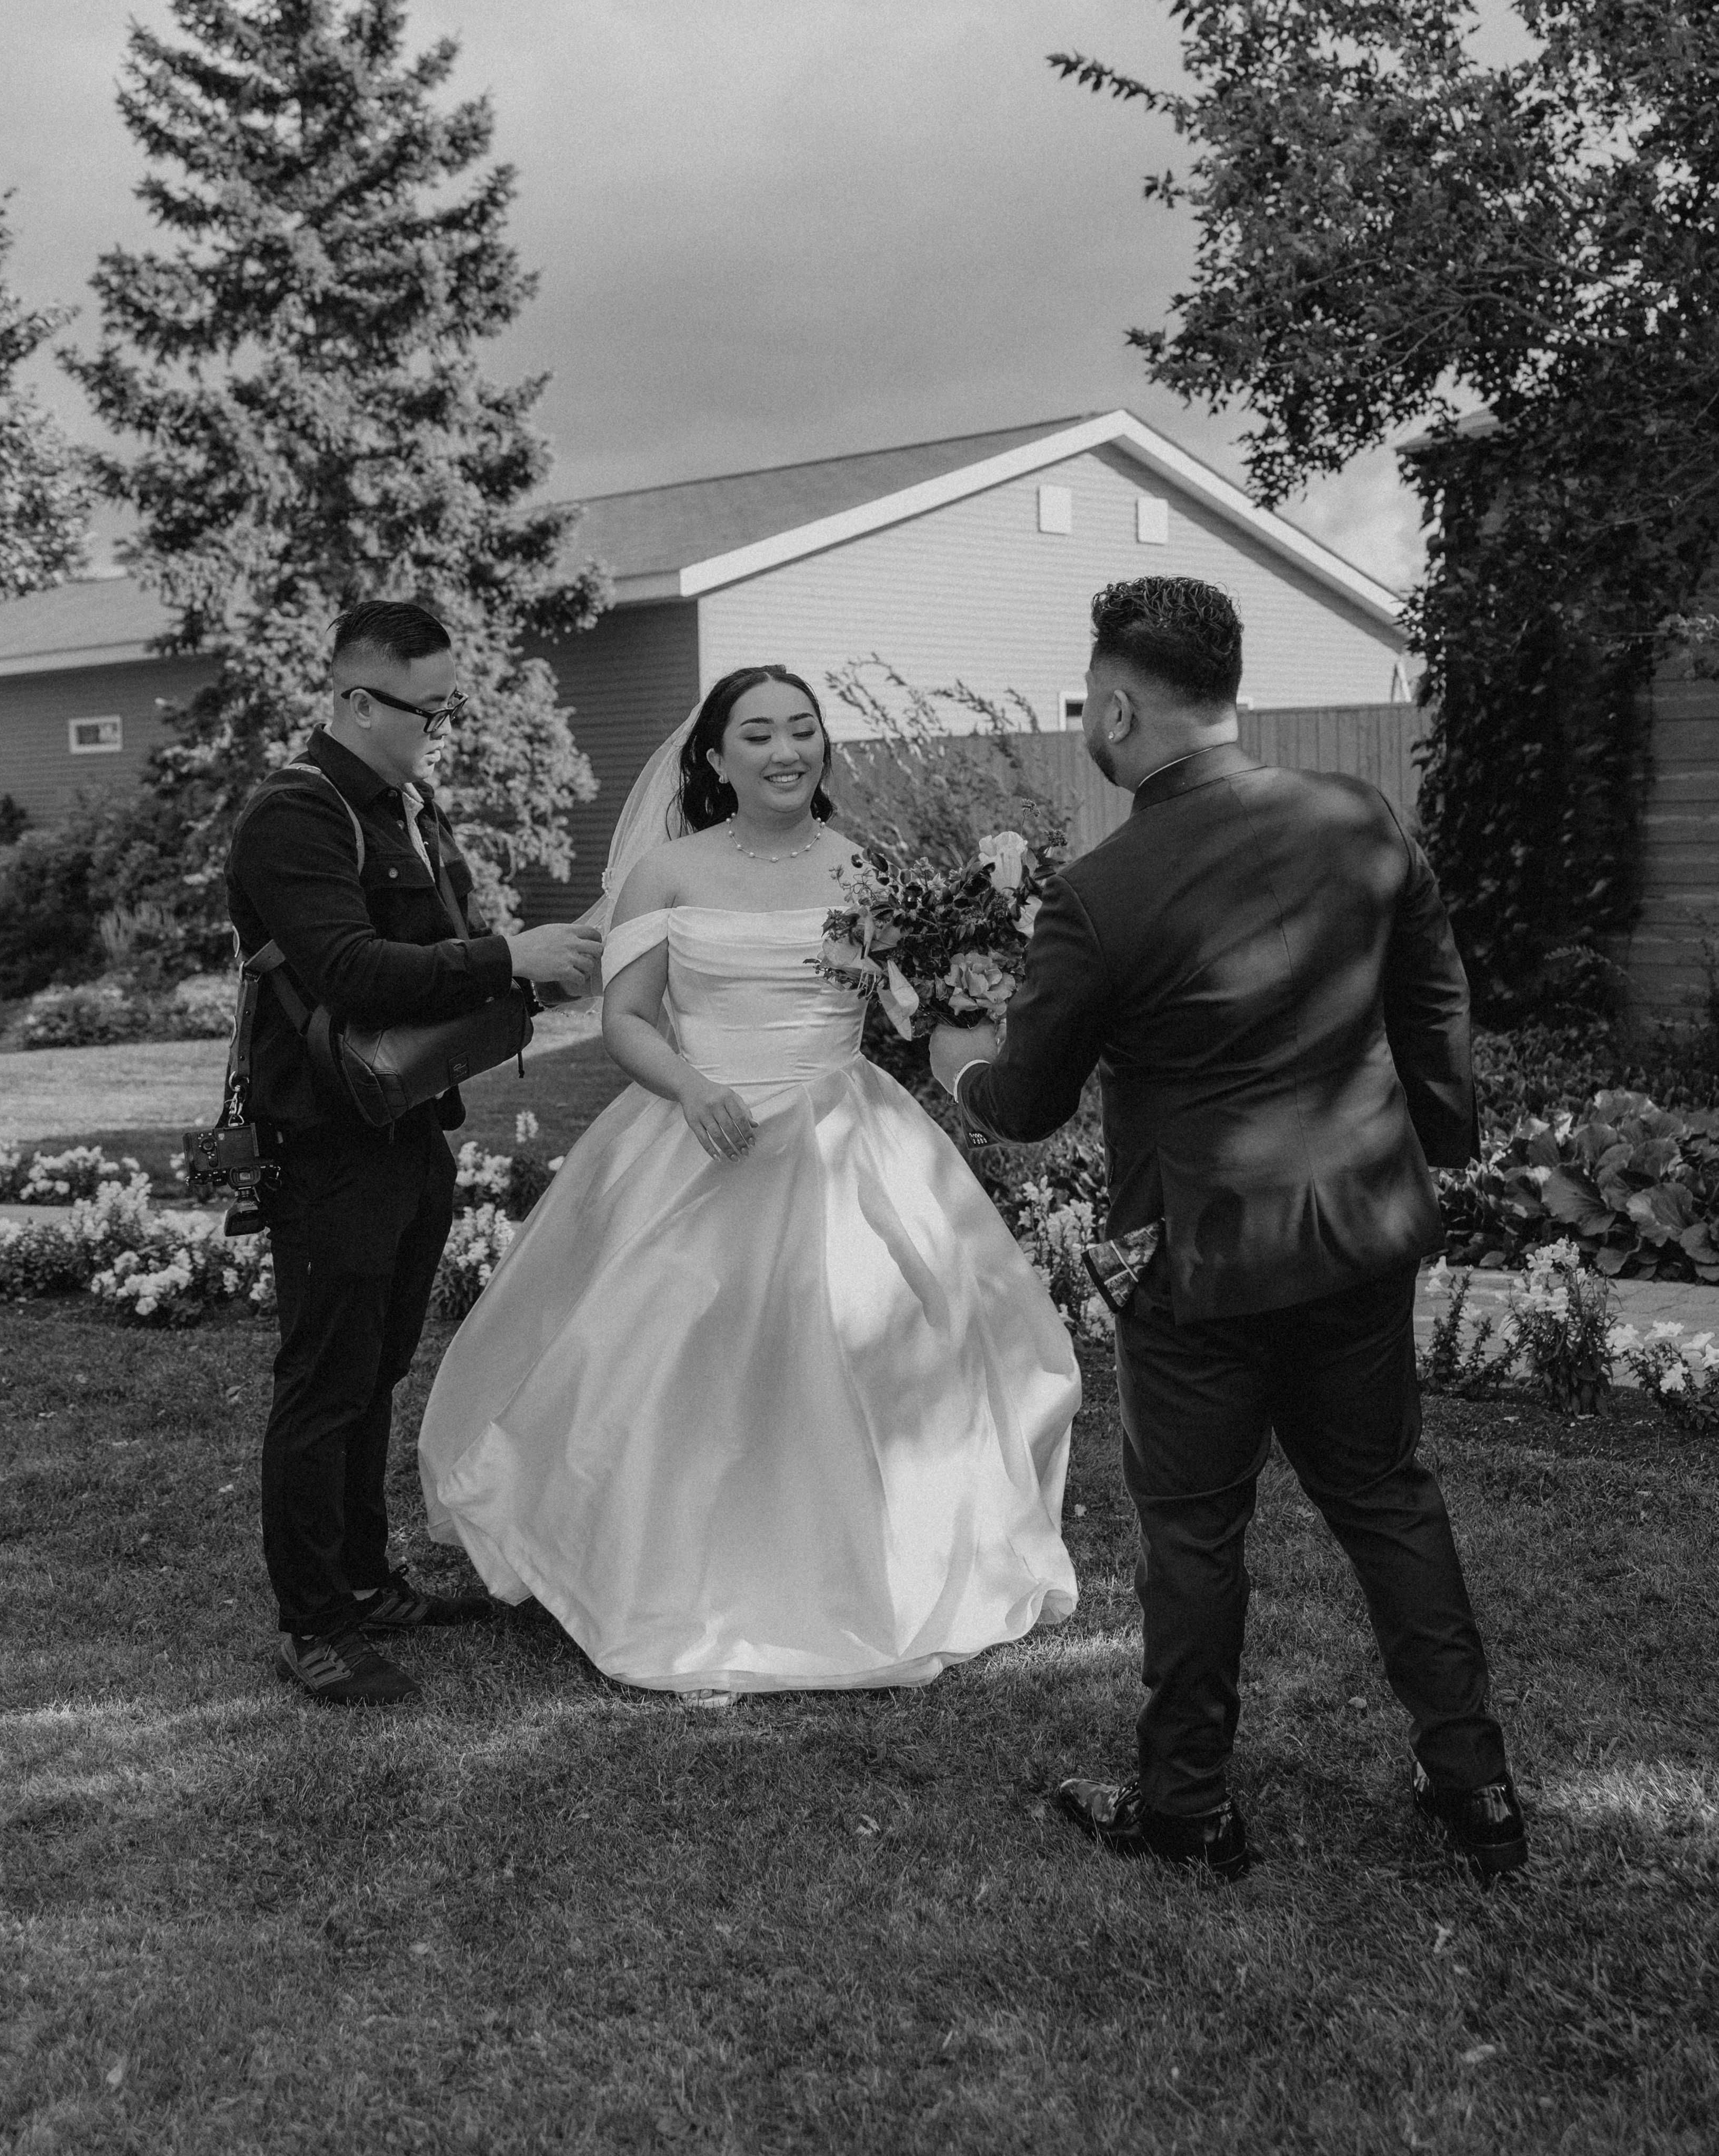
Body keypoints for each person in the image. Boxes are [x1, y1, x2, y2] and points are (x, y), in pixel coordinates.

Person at [931, 576, 1525, 1885]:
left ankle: (1191, 1806)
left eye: (1089, 702)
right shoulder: (1358, 818)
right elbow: (1436, 1001)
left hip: (1200, 1261)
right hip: (1361, 1233)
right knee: (1388, 1500)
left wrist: (954, 1058)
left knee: (1196, 1534)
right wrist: (1448, 1140)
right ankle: (1477, 1786)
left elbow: (1025, 1105)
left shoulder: (1100, 892)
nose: (1089, 718)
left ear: (1122, 704)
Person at [418, 665, 1080, 1695]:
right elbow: (625, 1016)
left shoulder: (867, 871)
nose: (785, 751)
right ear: (717, 758)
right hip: (700, 1134)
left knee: (870, 1347)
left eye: (803, 730)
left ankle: (866, 1567)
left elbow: (895, 1007)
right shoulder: (669, 873)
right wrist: (690, 1087)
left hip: (844, 1139)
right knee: (680, 1358)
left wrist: (958, 989)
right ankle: (679, 1577)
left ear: (824, 747)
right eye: (760, 733)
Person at [227, 599, 602, 1709]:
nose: (437, 732)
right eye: (424, 713)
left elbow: (432, 955)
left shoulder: (405, 807)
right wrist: (504, 953)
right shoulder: (294, 816)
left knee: (379, 1367)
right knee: (324, 1381)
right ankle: (315, 1623)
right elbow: (350, 969)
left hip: (409, 1129)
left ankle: (365, 1580)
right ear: (355, 700)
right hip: (327, 1141)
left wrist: (522, 969)